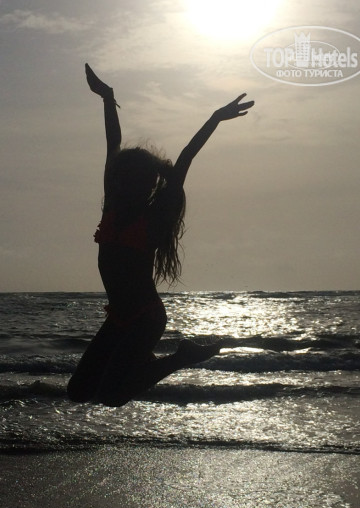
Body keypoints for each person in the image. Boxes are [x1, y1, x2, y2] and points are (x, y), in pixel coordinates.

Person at [67, 63, 254, 407]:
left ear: (148, 184)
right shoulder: (112, 207)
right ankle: (144, 364)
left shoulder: (153, 217)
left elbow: (185, 159)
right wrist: (107, 98)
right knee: (77, 392)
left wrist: (215, 118)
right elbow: (113, 144)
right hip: (119, 317)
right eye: (122, 178)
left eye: (136, 180)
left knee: (111, 395)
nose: (124, 183)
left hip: (146, 317)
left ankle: (181, 357)